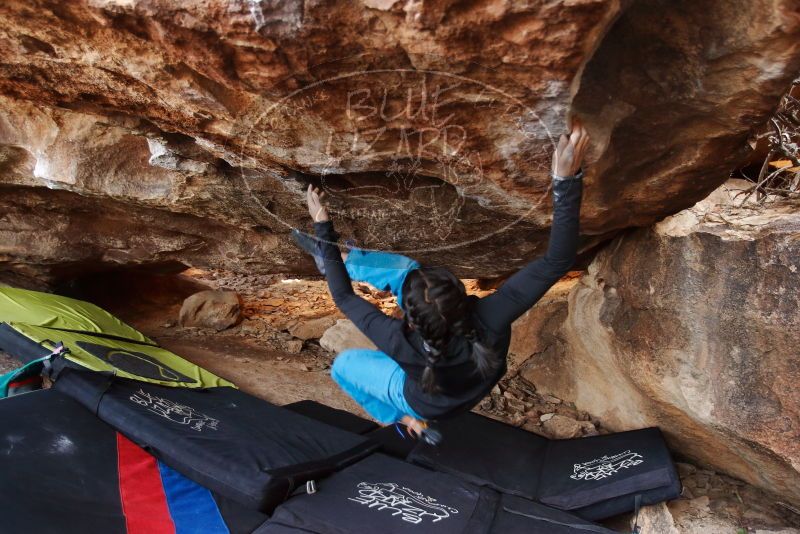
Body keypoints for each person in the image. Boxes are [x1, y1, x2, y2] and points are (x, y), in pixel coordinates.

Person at [292, 120, 589, 445]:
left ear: (407, 314)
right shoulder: (491, 315)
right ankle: (348, 262)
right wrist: (565, 179)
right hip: (474, 386)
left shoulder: (397, 339)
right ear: (459, 294)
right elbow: (556, 260)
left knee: (344, 364)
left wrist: (323, 227)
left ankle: (404, 421)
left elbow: (343, 298)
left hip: (420, 402)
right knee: (406, 273)